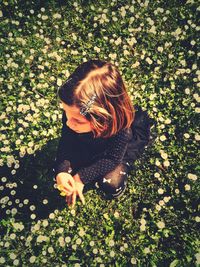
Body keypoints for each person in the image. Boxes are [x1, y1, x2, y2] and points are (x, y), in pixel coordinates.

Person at [53, 59, 151, 207]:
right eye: (66, 113)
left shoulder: (122, 132)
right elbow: (66, 143)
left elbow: (111, 159)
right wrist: (62, 171)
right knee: (64, 168)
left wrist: (81, 178)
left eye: (78, 121)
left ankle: (123, 167)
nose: (68, 123)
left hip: (115, 153)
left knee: (111, 183)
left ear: (102, 119)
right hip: (86, 144)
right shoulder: (73, 117)